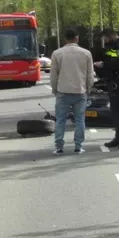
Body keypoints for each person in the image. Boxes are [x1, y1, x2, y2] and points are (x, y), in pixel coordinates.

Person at [49, 27, 94, 155]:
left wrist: (54, 89)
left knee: (60, 120)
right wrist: (89, 88)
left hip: (63, 91)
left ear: (65, 39)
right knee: (80, 120)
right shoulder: (86, 54)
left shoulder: (57, 54)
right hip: (80, 91)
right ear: (77, 38)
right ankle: (78, 146)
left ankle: (59, 147)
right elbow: (90, 74)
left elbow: (53, 75)